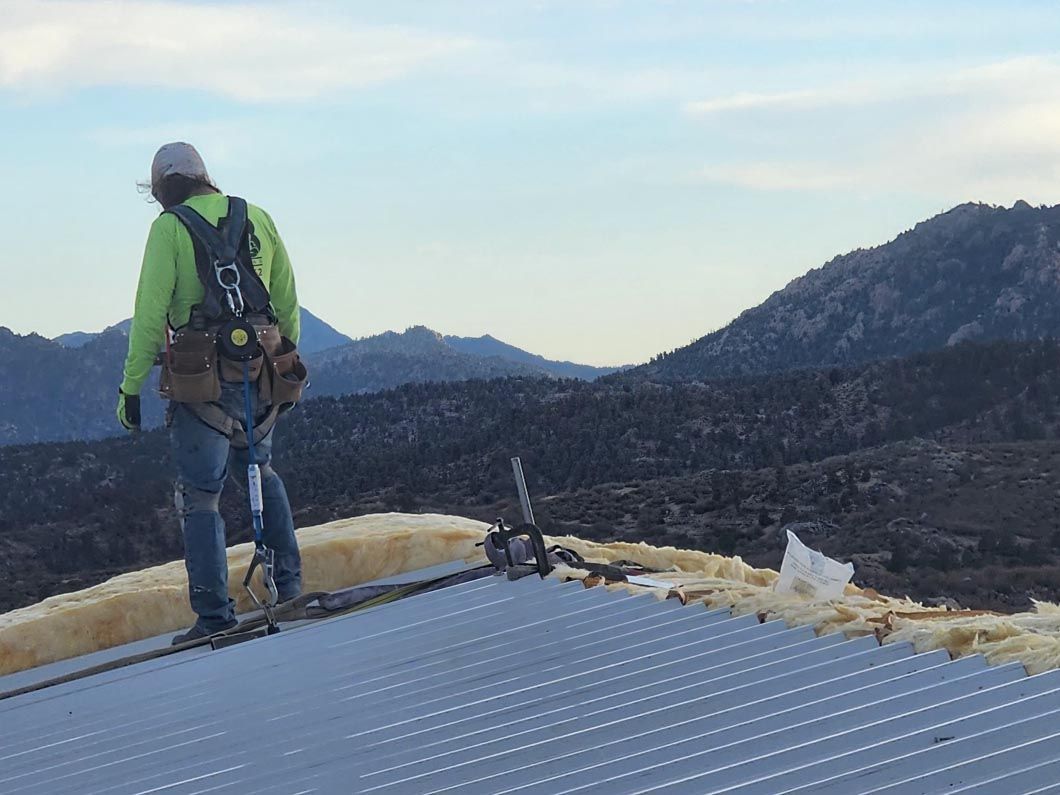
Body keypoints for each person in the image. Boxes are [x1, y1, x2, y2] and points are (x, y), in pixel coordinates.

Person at [117, 142, 304, 644]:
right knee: (260, 472)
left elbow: (151, 313)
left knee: (200, 496)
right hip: (260, 366)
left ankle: (215, 617)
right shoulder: (257, 217)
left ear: (160, 190)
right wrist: (283, 362)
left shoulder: (169, 229)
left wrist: (130, 388)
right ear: (205, 177)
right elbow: (286, 299)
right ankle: (291, 591)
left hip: (200, 377)